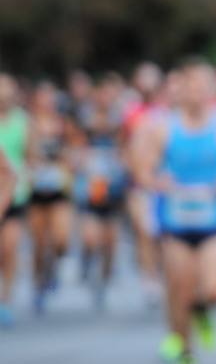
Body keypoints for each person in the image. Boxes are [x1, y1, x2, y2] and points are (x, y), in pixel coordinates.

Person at [132, 59, 216, 364]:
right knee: (179, 290)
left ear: (212, 90)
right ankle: (183, 348)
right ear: (179, 91)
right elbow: (142, 170)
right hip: (176, 222)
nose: (196, 93)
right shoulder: (162, 127)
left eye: (202, 86)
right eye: (189, 87)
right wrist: (156, 181)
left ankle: (204, 311)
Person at [73, 72, 129, 310]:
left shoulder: (121, 122)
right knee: (90, 237)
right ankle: (86, 260)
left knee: (110, 243)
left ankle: (104, 281)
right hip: (91, 186)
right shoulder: (85, 121)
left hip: (114, 187)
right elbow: (74, 148)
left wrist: (123, 161)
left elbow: (129, 149)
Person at [27, 80, 78, 315]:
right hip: (36, 191)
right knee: (38, 243)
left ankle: (54, 267)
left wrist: (68, 162)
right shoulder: (29, 124)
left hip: (59, 190)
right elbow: (23, 153)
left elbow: (77, 148)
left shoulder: (63, 124)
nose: (47, 101)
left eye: (51, 97)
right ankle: (39, 283)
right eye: (43, 97)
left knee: (60, 239)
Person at [123, 61, 166, 307]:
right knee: (144, 232)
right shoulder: (130, 112)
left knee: (162, 233)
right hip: (139, 184)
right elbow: (124, 145)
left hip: (164, 182)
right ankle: (149, 279)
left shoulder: (166, 112)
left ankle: (163, 271)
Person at [0, 73, 27, 327]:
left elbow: (9, 173)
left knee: (8, 249)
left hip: (14, 197)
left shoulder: (22, 121)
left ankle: (5, 300)